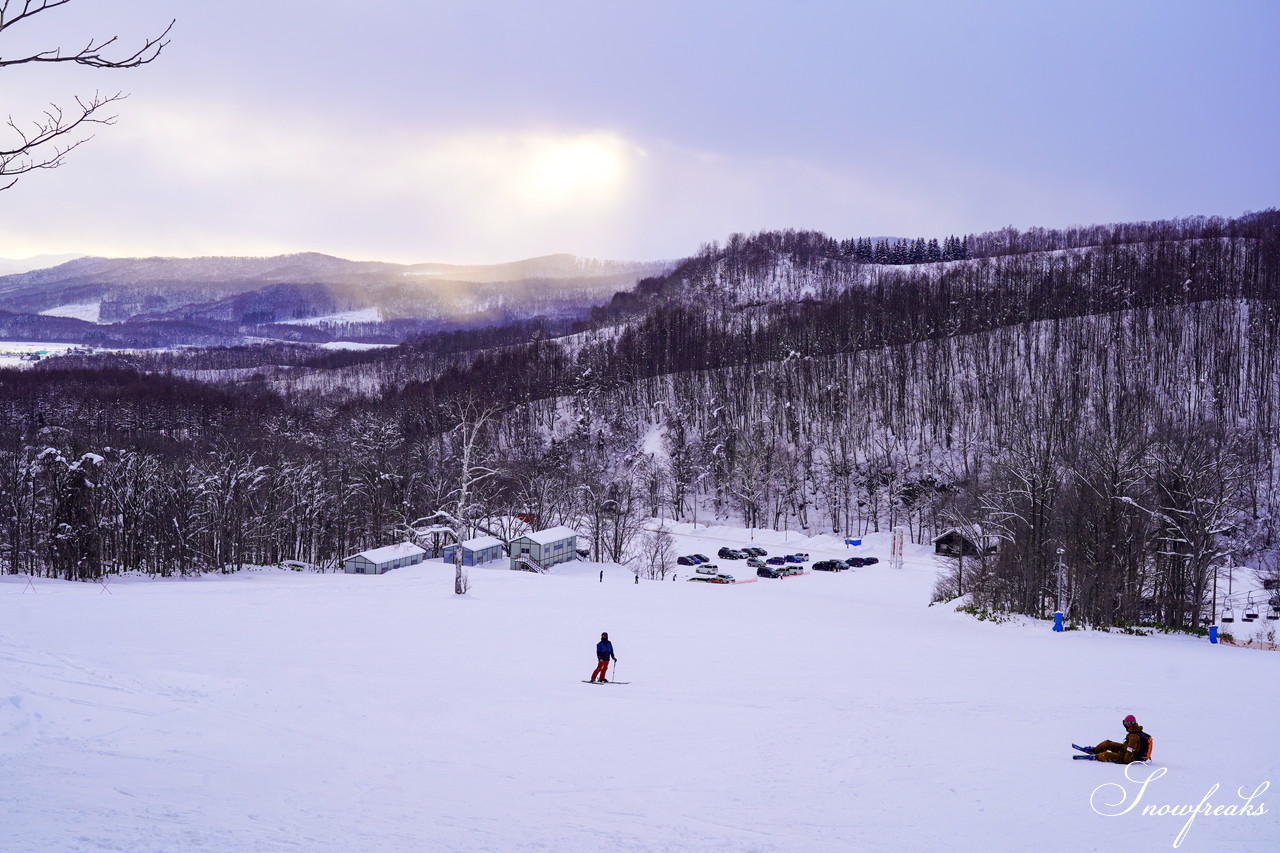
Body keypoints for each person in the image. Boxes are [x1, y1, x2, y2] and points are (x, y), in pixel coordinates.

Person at [1075, 715, 1153, 763]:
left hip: (1129, 757)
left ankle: (1097, 756)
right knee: (1107, 743)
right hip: (1124, 749)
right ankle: (1095, 750)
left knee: (1106, 755)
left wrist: (1124, 760)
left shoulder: (1133, 736)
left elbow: (1130, 751)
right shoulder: (1135, 732)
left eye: (1125, 723)